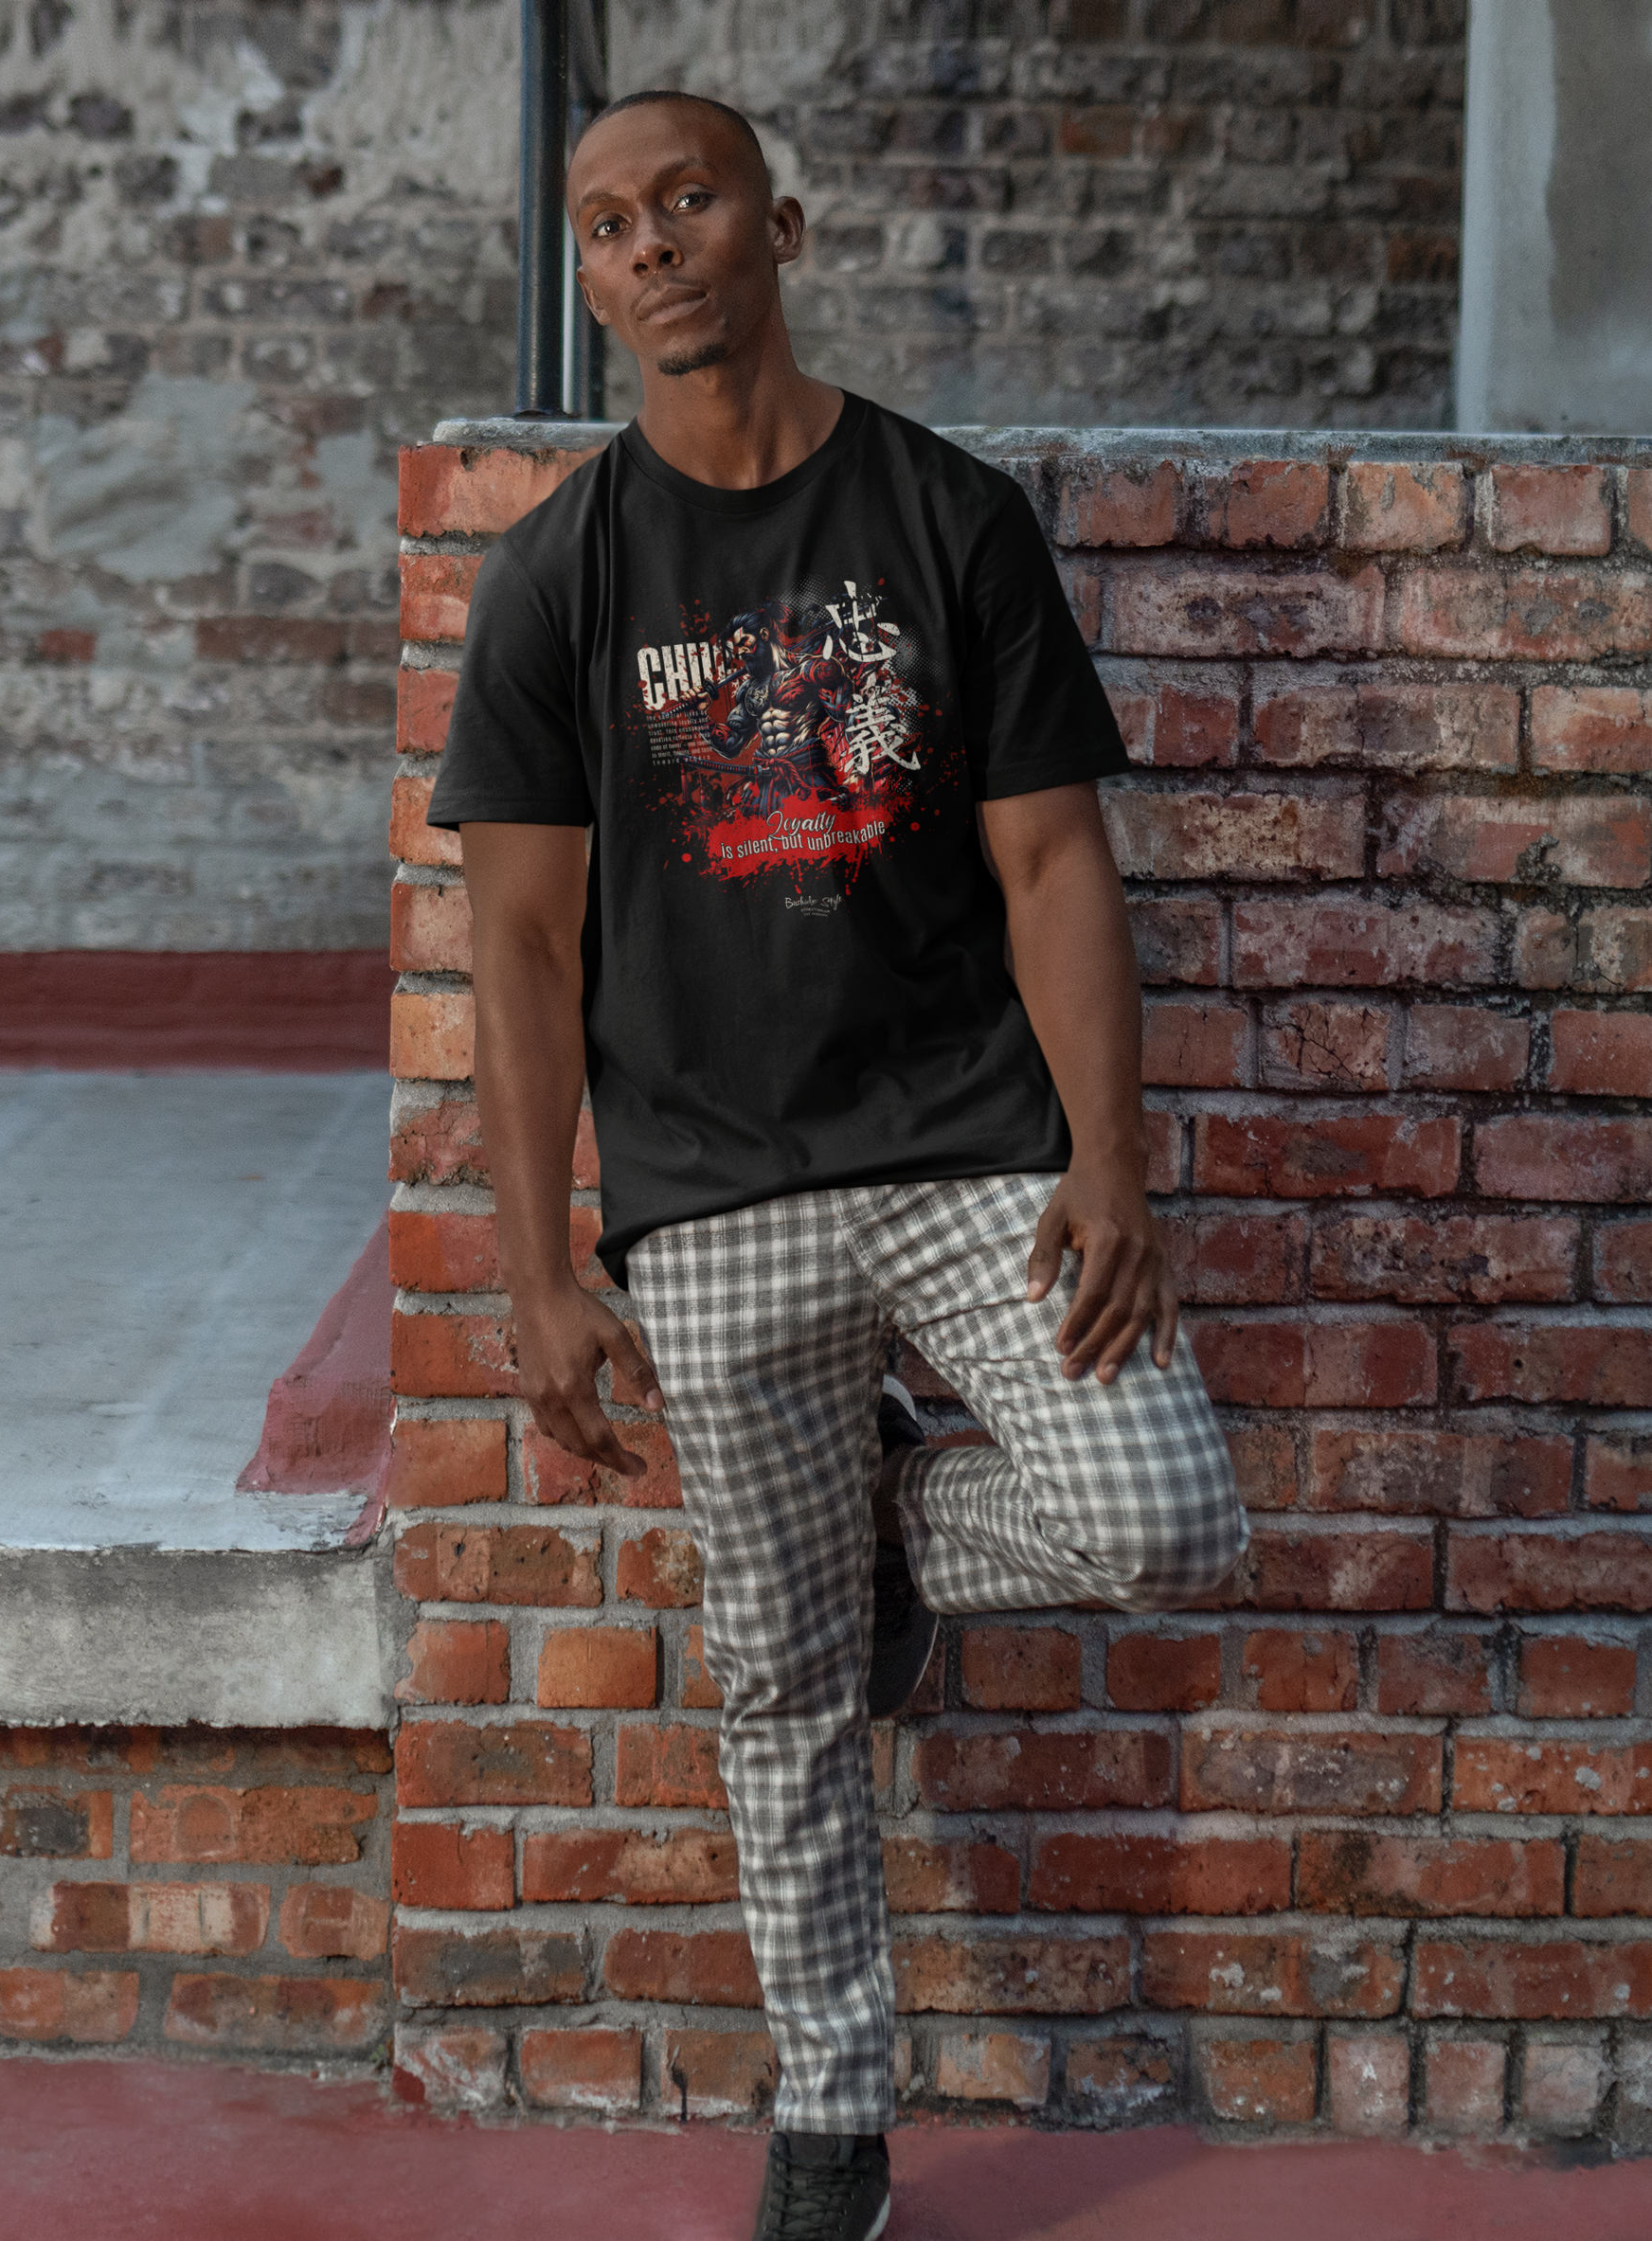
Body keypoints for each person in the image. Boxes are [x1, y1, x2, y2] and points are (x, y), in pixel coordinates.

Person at [427, 86, 1248, 2241]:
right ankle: (832, 2114)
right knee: (783, 1679)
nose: (649, 249)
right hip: (707, 1195)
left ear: (773, 219)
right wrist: (535, 1266)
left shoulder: (944, 515)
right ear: (593, 279)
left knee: (1155, 1511)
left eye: (683, 201)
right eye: (605, 228)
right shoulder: (560, 572)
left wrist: (1110, 1158)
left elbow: (1054, 858)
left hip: (975, 1149)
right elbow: (516, 944)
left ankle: (888, 1512)